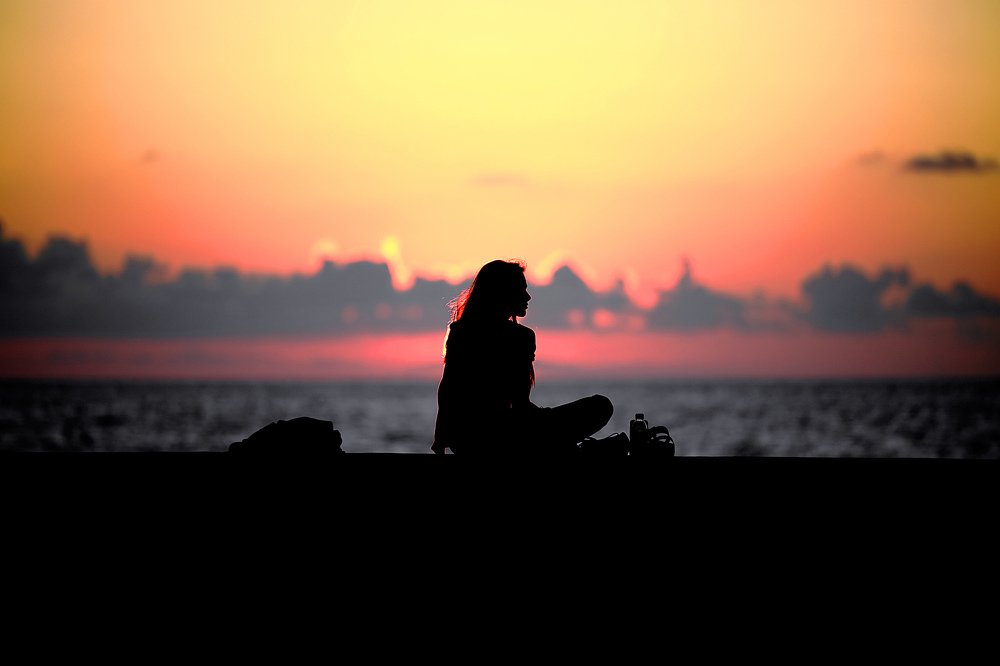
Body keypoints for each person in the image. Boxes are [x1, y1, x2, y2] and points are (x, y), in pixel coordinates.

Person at [431, 259, 614, 455]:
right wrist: (547, 420)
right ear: (503, 293)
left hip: (466, 441)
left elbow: (448, 388)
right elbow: (520, 408)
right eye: (521, 290)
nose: (528, 297)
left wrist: (440, 439)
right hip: (506, 436)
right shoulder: (520, 337)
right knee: (600, 406)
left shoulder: (460, 331)